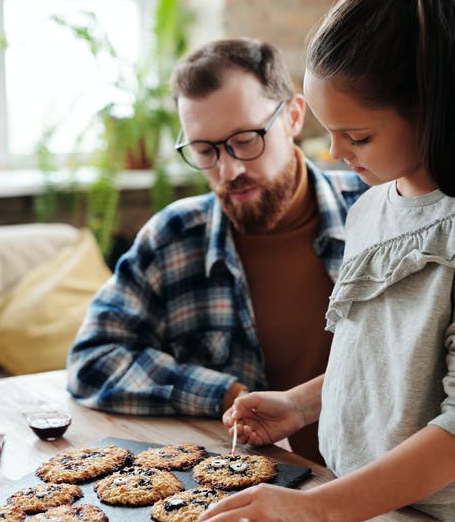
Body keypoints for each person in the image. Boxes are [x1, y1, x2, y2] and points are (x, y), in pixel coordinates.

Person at [189, 0, 455, 522]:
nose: (334, 154)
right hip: (364, 514)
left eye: (357, 136)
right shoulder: (370, 208)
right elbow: (384, 360)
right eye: (328, 132)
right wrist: (301, 404)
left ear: (433, 110)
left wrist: (315, 514)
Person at [66, 37, 367, 462]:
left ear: (293, 116)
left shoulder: (380, 213)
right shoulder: (174, 237)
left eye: (246, 140)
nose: (230, 170)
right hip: (247, 490)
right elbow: (93, 358)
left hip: (385, 494)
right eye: (204, 151)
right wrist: (225, 393)